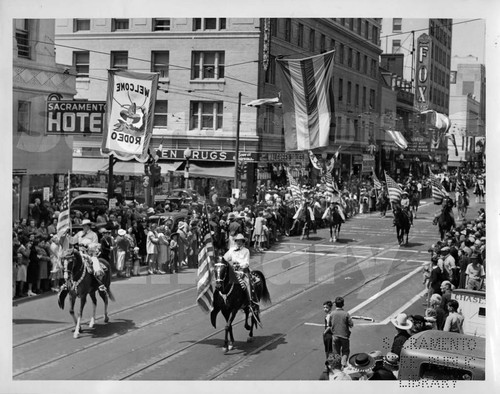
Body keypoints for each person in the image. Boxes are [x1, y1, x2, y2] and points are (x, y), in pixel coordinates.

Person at [223, 233, 254, 308]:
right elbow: (225, 258)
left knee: (247, 283)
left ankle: (250, 301)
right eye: (237, 241)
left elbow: (246, 263)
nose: (239, 242)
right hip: (233, 271)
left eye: (240, 241)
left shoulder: (246, 251)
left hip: (243, 271)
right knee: (222, 280)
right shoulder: (231, 250)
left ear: (243, 242)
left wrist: (239, 266)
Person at [330, 296, 354, 368]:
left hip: (335, 335)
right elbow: (351, 324)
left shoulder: (332, 313)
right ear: (343, 304)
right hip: (344, 336)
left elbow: (330, 324)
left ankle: (337, 366)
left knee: (336, 352)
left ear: (335, 304)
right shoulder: (346, 314)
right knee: (345, 351)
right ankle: (343, 363)